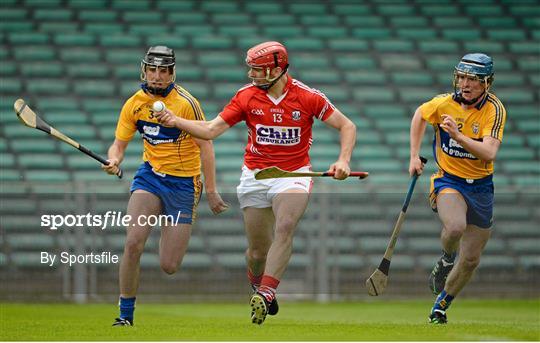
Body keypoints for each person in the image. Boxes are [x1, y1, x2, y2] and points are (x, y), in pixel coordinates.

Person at [154, 41, 357, 325]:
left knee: (285, 227)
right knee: (257, 251)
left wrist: (343, 160)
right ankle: (256, 284)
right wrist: (176, 121)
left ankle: (266, 292)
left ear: (278, 68)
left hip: (294, 175)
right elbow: (211, 130)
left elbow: (347, 126)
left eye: (259, 70)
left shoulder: (307, 97)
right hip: (256, 176)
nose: (253, 75)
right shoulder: (246, 97)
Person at [102, 45, 228, 326]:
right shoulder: (133, 104)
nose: (157, 76)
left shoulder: (186, 103)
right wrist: (113, 159)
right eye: (152, 69)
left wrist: (211, 190)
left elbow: (206, 146)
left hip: (184, 183)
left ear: (172, 73)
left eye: (163, 70)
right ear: (144, 70)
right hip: (150, 176)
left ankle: (168, 228)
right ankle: (125, 316)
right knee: (133, 242)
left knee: (169, 265)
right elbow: (119, 145)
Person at [409, 53, 506, 324]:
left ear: (486, 83)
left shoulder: (495, 110)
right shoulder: (443, 104)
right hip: (449, 180)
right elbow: (419, 115)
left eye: (473, 79)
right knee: (454, 227)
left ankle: (441, 304)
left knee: (472, 259)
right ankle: (447, 257)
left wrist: (459, 137)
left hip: (482, 188)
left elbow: (488, 153)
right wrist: (414, 156)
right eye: (462, 77)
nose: (465, 83)